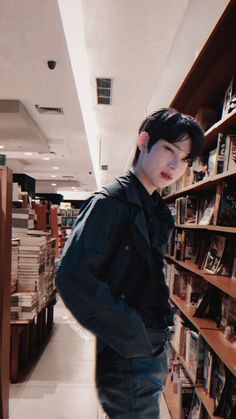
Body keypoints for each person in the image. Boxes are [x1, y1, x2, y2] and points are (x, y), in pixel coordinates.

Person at [56, 108, 204, 418]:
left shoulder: (155, 210)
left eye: (185, 159)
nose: (176, 165)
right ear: (143, 141)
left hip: (148, 347)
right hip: (130, 354)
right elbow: (72, 277)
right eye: (169, 150)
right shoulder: (109, 203)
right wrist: (132, 334)